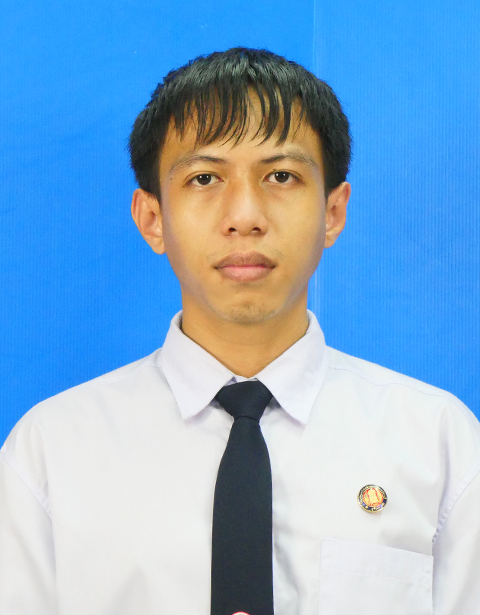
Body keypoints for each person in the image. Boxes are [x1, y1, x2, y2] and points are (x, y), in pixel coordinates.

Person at [1, 47, 479, 615]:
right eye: (204, 178)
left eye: (281, 176)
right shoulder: (50, 453)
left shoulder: (440, 444)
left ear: (333, 212)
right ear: (153, 218)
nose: (245, 216)